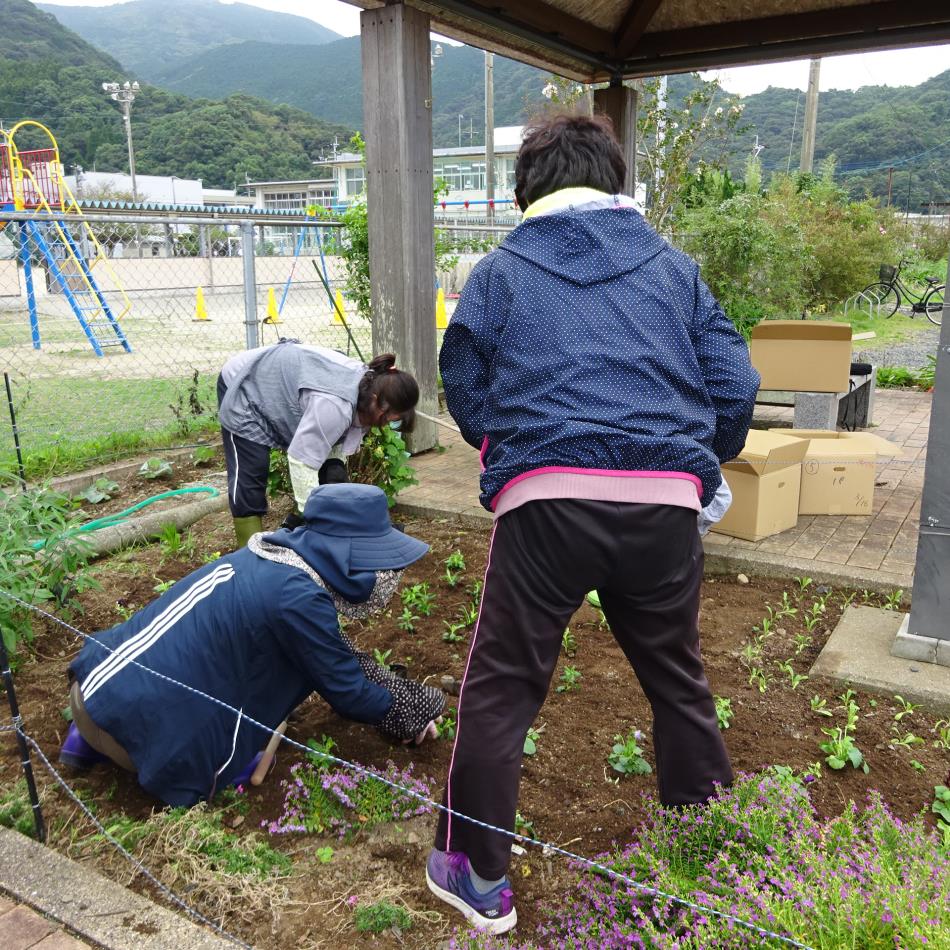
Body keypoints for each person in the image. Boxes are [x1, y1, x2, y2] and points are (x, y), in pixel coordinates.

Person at [426, 113, 760, 934]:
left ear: (523, 191)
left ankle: (478, 876)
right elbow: (736, 383)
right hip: (664, 506)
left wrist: (505, 444)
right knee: (678, 681)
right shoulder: (673, 269)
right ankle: (709, 852)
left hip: (547, 500)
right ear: (614, 183)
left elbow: (463, 383)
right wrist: (689, 457)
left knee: (503, 687)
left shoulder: (500, 271)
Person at [59, 483, 445, 807]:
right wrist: (406, 712)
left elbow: (332, 651)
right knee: (247, 748)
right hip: (136, 741)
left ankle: (86, 741)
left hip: (91, 688)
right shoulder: (300, 600)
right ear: (351, 555)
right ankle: (182, 760)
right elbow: (348, 692)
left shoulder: (268, 557)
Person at [216, 341, 419, 545]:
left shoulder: (371, 387)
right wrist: (315, 522)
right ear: (376, 401)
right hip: (245, 382)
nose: (387, 423)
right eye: (390, 418)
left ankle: (304, 537)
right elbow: (301, 461)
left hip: (281, 380)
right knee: (252, 473)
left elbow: (333, 441)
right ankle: (249, 555)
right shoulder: (335, 405)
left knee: (333, 474)